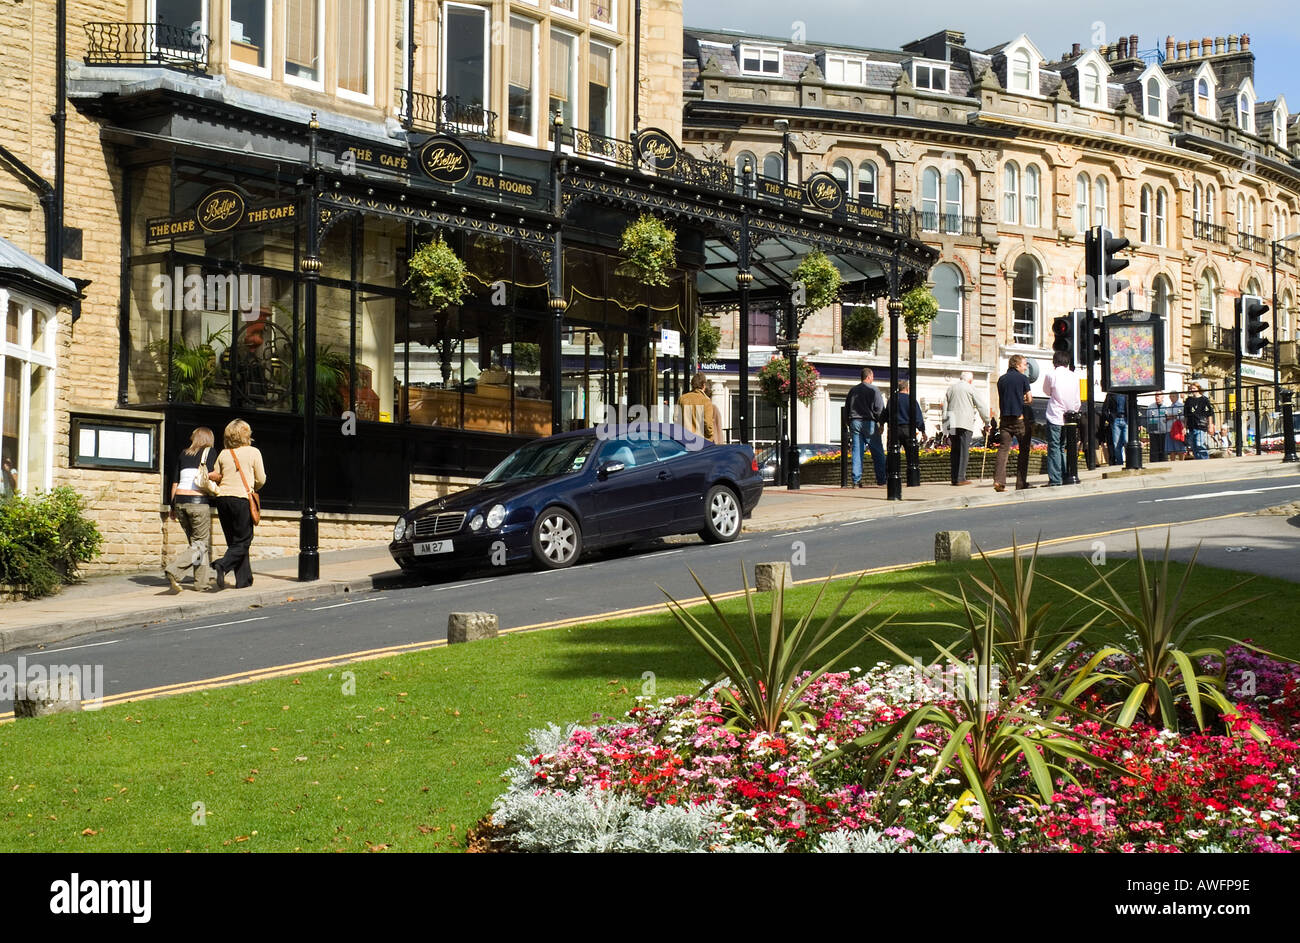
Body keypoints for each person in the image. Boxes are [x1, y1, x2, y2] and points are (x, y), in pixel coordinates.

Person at [211, 418, 267, 590]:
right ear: (246, 434)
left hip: (222, 499)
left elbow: (216, 475)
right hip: (241, 499)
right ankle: (222, 565)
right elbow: (261, 478)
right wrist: (252, 486)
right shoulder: (253, 452)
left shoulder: (223, 453)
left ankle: (244, 580)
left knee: (234, 542)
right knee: (244, 540)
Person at [164, 427, 219, 593]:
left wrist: (172, 506)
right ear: (209, 438)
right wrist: (220, 476)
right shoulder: (210, 452)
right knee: (200, 544)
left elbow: (175, 482)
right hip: (198, 502)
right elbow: (210, 475)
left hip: (180, 501)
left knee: (196, 545)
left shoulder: (183, 453)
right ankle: (174, 570)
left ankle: (201, 583)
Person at [994, 354, 1034, 492]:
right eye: (1024, 364)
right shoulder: (1023, 378)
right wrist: (1022, 399)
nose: (1025, 367)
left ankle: (999, 482)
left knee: (1003, 449)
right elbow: (1029, 399)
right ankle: (1021, 483)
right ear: (1017, 365)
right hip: (1019, 419)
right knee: (1024, 449)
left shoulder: (1001, 379)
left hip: (1004, 419)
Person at [942, 371, 989, 486]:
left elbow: (945, 409)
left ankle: (954, 478)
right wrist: (987, 421)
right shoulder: (971, 388)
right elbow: (981, 405)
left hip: (952, 422)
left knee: (954, 451)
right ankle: (960, 478)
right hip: (965, 423)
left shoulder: (951, 388)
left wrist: (945, 428)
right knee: (963, 450)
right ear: (970, 380)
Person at [1042, 351, 1081, 487]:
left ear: (1054, 362)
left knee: (1054, 447)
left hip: (1055, 415)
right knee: (1063, 447)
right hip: (1070, 417)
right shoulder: (1074, 376)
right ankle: (1065, 475)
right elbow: (1077, 399)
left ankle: (1055, 478)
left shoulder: (1051, 374)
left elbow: (1046, 391)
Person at [845, 367, 886, 487]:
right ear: (868, 377)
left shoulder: (853, 390)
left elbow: (847, 407)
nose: (873, 379)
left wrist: (848, 422)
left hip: (854, 422)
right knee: (877, 452)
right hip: (869, 423)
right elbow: (879, 409)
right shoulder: (874, 390)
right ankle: (881, 479)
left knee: (857, 452)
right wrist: (881, 423)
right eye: (872, 377)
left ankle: (856, 481)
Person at [887, 378, 924, 483]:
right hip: (908, 429)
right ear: (907, 389)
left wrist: (881, 425)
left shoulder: (892, 399)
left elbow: (886, 414)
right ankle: (912, 479)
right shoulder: (911, 399)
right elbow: (918, 417)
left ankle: (894, 478)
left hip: (895, 430)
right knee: (911, 455)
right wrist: (923, 430)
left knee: (894, 455)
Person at [676, 372, 722, 444]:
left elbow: (676, 419)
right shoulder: (706, 400)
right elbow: (708, 424)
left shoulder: (682, 399)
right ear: (703, 385)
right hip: (701, 441)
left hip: (684, 440)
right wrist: (711, 436)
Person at [1184, 383, 1215, 461]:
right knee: (1193, 445)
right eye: (1191, 389)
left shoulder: (1204, 399)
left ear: (1198, 389)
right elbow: (1186, 415)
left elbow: (1209, 413)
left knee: (1199, 443)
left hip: (1201, 425)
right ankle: (1198, 459)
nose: (1192, 390)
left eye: (1194, 388)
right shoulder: (1188, 400)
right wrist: (1184, 426)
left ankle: (1205, 458)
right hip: (1191, 425)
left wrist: (1210, 425)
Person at [1103, 391, 1129, 466]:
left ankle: (1129, 461)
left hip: (1126, 419)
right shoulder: (1111, 394)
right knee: (1117, 444)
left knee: (1127, 441)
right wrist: (1111, 419)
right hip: (1116, 420)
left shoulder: (1127, 393)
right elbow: (1105, 409)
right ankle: (1119, 463)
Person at [1143, 392, 1168, 463]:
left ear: (1162, 397)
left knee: (1163, 450)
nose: (1157, 397)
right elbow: (1148, 419)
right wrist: (1149, 430)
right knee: (1154, 450)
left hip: (1163, 431)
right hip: (1153, 431)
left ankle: (1163, 463)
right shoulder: (1150, 407)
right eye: (1156, 396)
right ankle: (1154, 463)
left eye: (1159, 396)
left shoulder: (1166, 407)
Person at [1166, 389, 1186, 461]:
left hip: (1178, 430)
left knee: (1180, 448)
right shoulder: (1168, 407)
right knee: (1171, 449)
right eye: (1170, 396)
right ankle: (1172, 462)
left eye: (1173, 396)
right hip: (1170, 429)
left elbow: (1184, 417)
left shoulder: (1181, 406)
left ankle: (1181, 462)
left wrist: (1174, 416)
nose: (1171, 398)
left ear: (1177, 397)